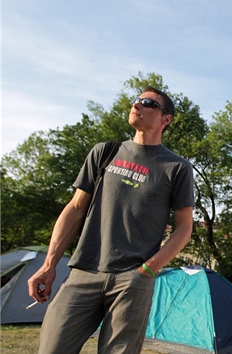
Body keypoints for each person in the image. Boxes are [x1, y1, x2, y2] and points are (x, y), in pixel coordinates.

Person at [27, 87, 195, 354]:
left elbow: (185, 228)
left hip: (133, 279)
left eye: (148, 103)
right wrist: (48, 265)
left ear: (166, 119)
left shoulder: (176, 168)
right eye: (136, 100)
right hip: (84, 272)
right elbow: (75, 209)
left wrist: (148, 271)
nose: (137, 104)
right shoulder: (105, 152)